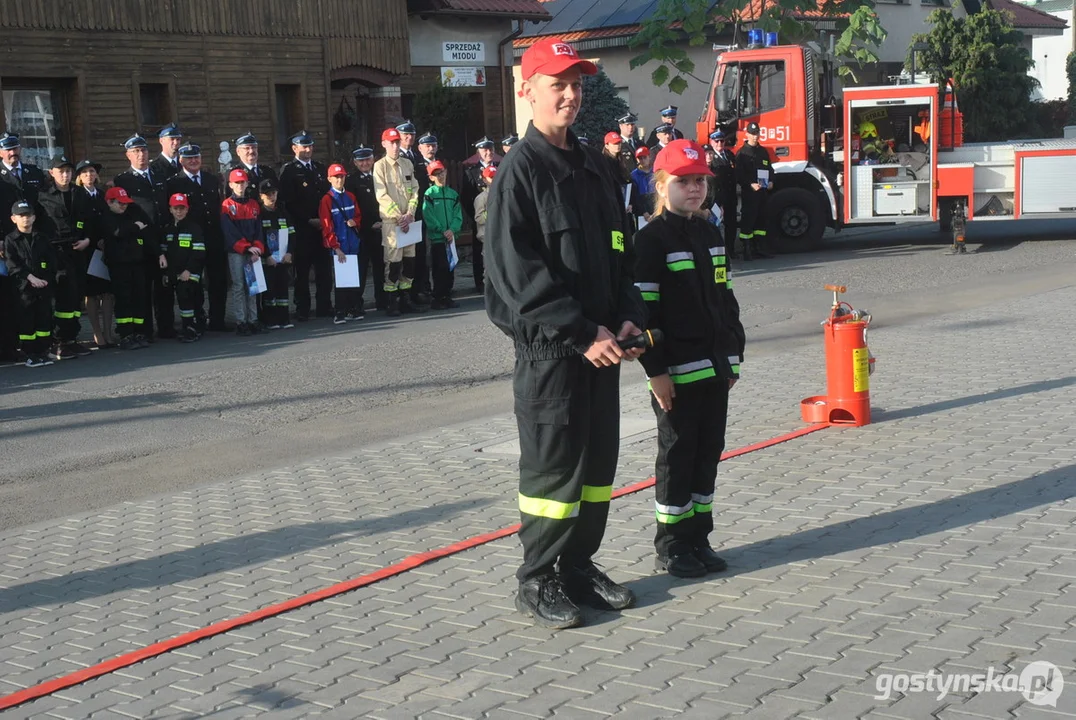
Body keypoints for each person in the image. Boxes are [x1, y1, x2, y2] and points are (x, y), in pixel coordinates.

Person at [484, 37, 647, 629]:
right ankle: (538, 579)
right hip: (554, 353)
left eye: (578, 84)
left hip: (600, 349)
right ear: (527, 91)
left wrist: (630, 314)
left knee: (597, 468)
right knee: (554, 475)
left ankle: (578, 566)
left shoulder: (598, 168)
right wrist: (581, 332)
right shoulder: (518, 174)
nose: (572, 95)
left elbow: (623, 252)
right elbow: (517, 276)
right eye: (559, 84)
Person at [632, 138, 745, 578]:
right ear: (662, 185)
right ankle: (672, 545)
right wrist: (656, 372)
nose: (695, 189)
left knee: (707, 452)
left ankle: (699, 536)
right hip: (675, 374)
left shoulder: (709, 232)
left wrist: (732, 357)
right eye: (684, 182)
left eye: (700, 181)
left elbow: (725, 299)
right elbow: (644, 316)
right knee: (677, 457)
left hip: (714, 368)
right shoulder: (650, 240)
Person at [36, 156, 94, 360]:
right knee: (62, 297)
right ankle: (58, 341)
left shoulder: (79, 194)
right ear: (51, 173)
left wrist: (87, 239)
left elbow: (89, 220)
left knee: (76, 296)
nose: (65, 174)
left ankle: (71, 339)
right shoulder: (42, 196)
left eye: (68, 171)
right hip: (55, 253)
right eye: (60, 171)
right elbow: (37, 227)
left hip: (78, 251)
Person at [165, 142, 226, 332]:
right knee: (194, 282)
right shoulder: (174, 182)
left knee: (218, 281)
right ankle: (198, 319)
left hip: (214, 237)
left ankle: (218, 320)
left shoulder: (210, 179)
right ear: (181, 160)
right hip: (190, 240)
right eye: (189, 158)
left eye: (196, 157)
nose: (193, 161)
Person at [114, 133, 168, 339]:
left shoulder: (159, 176)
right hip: (140, 240)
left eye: (143, 150)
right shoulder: (123, 180)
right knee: (143, 288)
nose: (141, 155)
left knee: (163, 287)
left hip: (161, 236)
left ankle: (165, 327)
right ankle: (145, 330)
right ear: (128, 155)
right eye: (136, 151)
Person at [279, 130, 331, 321]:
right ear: (294, 148)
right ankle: (302, 308)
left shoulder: (319, 168)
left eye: (310, 146)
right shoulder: (289, 170)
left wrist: (323, 220)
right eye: (304, 146)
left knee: (324, 270)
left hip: (322, 228)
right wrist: (308, 219)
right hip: (302, 228)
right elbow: (288, 202)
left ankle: (325, 305)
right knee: (301, 272)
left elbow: (327, 197)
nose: (308, 149)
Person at [100, 186, 156, 350]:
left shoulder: (131, 213)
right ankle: (125, 334)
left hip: (137, 262)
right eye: (120, 203)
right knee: (124, 299)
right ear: (110, 202)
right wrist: (135, 227)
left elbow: (145, 226)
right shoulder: (107, 217)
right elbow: (118, 232)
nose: (124, 206)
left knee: (138, 297)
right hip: (119, 265)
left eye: (125, 203)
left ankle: (139, 332)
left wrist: (135, 227)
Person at [373, 127, 422, 317]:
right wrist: (399, 216)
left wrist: (410, 213)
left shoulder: (407, 163)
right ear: (384, 143)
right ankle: (391, 302)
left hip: (408, 222)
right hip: (392, 224)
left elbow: (415, 190)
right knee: (393, 263)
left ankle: (406, 298)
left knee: (410, 261)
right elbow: (381, 195)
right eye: (391, 142)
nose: (395, 146)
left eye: (397, 142)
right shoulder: (380, 166)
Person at [4, 200, 58, 367]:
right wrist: (30, 278)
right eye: (21, 216)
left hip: (42, 285)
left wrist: (45, 279)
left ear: (34, 217)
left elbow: (51, 260)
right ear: (13, 219)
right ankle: (30, 353)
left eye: (28, 215)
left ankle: (43, 351)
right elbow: (12, 265)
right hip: (24, 288)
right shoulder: (11, 239)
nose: (25, 219)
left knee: (43, 319)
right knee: (27, 321)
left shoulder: (41, 237)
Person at [75, 160, 115, 349]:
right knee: (91, 294)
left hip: (104, 248)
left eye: (92, 171)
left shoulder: (102, 195)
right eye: (85, 172)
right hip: (86, 249)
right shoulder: (77, 196)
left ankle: (108, 332)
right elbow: (78, 223)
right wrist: (90, 239)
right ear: (80, 178)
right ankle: (97, 333)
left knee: (107, 293)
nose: (89, 175)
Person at [221, 168, 264, 335]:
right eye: (237, 183)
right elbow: (229, 231)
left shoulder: (254, 205)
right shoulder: (227, 205)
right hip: (236, 252)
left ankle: (253, 320)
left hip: (253, 252)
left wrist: (257, 248)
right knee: (239, 286)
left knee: (252, 286)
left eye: (242, 182)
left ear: (247, 183)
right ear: (231, 184)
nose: (240, 185)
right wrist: (246, 247)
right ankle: (241, 321)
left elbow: (259, 229)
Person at [319, 163, 363, 323]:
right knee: (340, 281)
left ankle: (352, 309)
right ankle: (340, 312)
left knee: (352, 280)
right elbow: (326, 226)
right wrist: (336, 247)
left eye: (342, 176)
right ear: (329, 179)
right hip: (340, 247)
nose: (339, 180)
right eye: (336, 177)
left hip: (352, 244)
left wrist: (355, 222)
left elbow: (358, 216)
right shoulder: (327, 200)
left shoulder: (350, 196)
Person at [345, 146, 386, 312]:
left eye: (368, 159)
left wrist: (382, 221)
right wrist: (369, 224)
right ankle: (356, 303)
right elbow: (353, 208)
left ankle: (382, 301)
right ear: (355, 162)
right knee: (360, 269)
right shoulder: (351, 181)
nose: (365, 163)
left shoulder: (379, 177)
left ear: (373, 160)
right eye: (361, 160)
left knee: (381, 267)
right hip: (362, 232)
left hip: (381, 228)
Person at [162, 193, 206, 342]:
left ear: (187, 209)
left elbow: (199, 252)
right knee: (179, 299)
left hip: (191, 272)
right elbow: (165, 253)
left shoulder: (194, 228)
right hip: (174, 272)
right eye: (176, 208)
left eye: (182, 208)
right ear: (170, 209)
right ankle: (187, 325)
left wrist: (189, 270)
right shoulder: (167, 229)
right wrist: (167, 273)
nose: (179, 212)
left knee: (188, 295)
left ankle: (192, 327)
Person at [397, 120, 431, 307]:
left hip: (417, 211)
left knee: (418, 253)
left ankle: (418, 290)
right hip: (404, 213)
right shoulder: (397, 158)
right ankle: (405, 295)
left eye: (412, 134)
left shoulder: (416, 156)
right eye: (405, 135)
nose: (409, 138)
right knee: (405, 256)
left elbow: (422, 184)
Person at [421, 160, 462, 310]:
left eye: (441, 172)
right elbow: (428, 214)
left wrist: (452, 229)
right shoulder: (429, 194)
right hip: (438, 239)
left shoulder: (453, 194)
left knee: (450, 268)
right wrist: (440, 230)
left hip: (451, 239)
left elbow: (458, 215)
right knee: (440, 268)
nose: (440, 176)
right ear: (431, 177)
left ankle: (447, 295)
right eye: (436, 174)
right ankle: (438, 297)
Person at [257, 178, 295, 330]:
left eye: (273, 193)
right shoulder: (259, 214)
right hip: (268, 260)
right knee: (269, 291)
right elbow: (258, 237)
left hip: (283, 259)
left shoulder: (283, 212)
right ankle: (270, 320)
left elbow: (292, 234)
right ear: (261, 196)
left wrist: (290, 253)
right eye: (267, 194)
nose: (271, 197)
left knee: (282, 289)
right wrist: (266, 256)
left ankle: (284, 319)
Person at [462, 137, 498, 293]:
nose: (488, 153)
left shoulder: (500, 168)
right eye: (485, 150)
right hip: (480, 220)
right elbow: (466, 197)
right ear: (478, 153)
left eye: (491, 150)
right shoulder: (471, 172)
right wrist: (476, 217)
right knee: (479, 253)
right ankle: (480, 282)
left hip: (498, 219)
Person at [735, 122, 774, 259]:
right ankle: (747, 249)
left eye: (757, 133)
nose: (755, 136)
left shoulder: (762, 151)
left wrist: (771, 181)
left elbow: (770, 168)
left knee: (762, 219)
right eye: (752, 134)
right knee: (748, 220)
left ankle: (760, 248)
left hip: (763, 192)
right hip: (750, 193)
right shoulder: (742, 153)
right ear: (747, 135)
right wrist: (750, 184)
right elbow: (739, 175)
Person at [707, 129, 740, 259]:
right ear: (712, 142)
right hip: (717, 198)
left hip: (730, 196)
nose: (720, 144)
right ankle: (717, 252)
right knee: (716, 225)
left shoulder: (729, 155)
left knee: (731, 224)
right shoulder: (710, 158)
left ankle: (730, 251)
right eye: (717, 141)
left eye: (722, 141)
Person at [0, 132, 49, 209]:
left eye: (15, 148)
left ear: (19, 149)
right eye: (8, 150)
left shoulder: (35, 172)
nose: (12, 152)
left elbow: (45, 198)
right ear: (0, 153)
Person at [629, 146, 654, 226]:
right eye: (640, 158)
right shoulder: (633, 175)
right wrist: (644, 212)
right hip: (641, 209)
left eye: (645, 157)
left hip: (655, 203)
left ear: (649, 157)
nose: (643, 160)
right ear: (637, 160)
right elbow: (634, 196)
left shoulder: (656, 172)